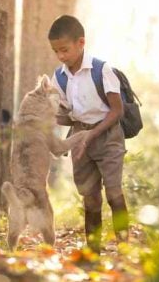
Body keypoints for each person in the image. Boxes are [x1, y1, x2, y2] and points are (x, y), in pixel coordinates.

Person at [49, 15, 128, 253]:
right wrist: (44, 117)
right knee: (90, 198)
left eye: (65, 49)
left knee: (114, 193)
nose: (61, 56)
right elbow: (66, 115)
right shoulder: (59, 77)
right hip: (79, 138)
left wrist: (92, 135)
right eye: (56, 51)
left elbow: (117, 110)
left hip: (108, 136)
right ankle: (93, 252)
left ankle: (125, 249)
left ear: (81, 43)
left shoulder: (100, 70)